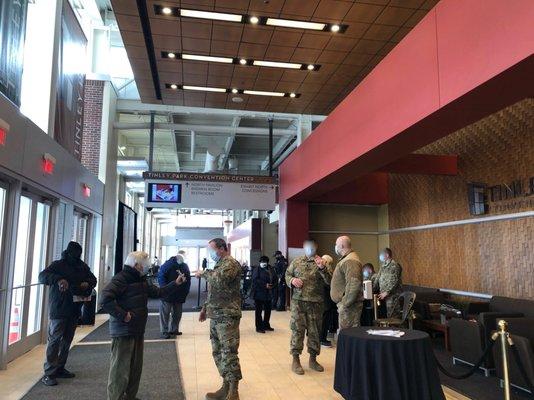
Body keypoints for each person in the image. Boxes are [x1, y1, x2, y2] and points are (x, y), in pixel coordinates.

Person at [100, 251, 186, 400]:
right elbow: (105, 299)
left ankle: (130, 396)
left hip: (137, 328)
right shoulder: (121, 279)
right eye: (145, 265)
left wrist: (175, 283)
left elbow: (158, 292)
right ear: (137, 265)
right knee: (120, 370)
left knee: (135, 367)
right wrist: (123, 315)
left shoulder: (141, 279)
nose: (148, 267)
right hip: (123, 331)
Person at [38, 241, 97, 386]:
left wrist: (87, 284)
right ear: (69, 252)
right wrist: (58, 279)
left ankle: (60, 367)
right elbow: (42, 277)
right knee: (55, 341)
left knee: (67, 341)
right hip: (59, 309)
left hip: (74, 308)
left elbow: (93, 279)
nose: (77, 256)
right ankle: (49, 373)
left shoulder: (81, 266)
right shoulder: (58, 265)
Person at [196, 238, 242, 400]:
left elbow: (220, 280)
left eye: (212, 249)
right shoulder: (219, 265)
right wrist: (205, 308)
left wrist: (204, 273)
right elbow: (215, 291)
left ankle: (233, 391)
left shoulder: (231, 263)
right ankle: (225, 385)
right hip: (216, 314)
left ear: (222, 249)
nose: (210, 253)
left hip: (227, 316)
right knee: (218, 352)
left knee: (229, 352)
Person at [286, 239, 332, 375]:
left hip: (316, 304)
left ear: (316, 247)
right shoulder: (296, 261)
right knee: (297, 330)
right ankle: (295, 359)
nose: (310, 249)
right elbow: (287, 275)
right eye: (307, 247)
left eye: (312, 247)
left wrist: (322, 268)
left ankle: (313, 359)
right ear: (303, 247)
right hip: (298, 303)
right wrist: (292, 280)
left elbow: (330, 281)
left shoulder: (323, 262)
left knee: (315, 332)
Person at [330, 236, 364, 330]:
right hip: (348, 306)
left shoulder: (350, 260)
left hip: (349, 307)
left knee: (348, 335)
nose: (335, 247)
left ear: (341, 245)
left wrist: (344, 304)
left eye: (336, 244)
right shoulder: (347, 259)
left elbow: (354, 284)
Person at [158, 253, 191, 339]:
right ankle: (164, 331)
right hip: (168, 294)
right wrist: (164, 290)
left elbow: (188, 280)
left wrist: (185, 292)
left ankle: (174, 329)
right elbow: (161, 278)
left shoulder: (184, 266)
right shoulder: (167, 265)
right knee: (165, 314)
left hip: (179, 294)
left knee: (177, 314)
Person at [372, 248, 403, 318]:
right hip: (384, 296)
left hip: (393, 296)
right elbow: (377, 279)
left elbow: (394, 281)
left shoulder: (394, 266)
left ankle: (400, 329)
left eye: (381, 255)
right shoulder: (383, 266)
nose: (380, 257)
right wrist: (372, 290)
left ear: (387, 255)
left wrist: (387, 292)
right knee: (387, 316)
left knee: (394, 317)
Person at [251, 256, 277, 333]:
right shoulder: (257, 269)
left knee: (268, 310)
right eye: (262, 261)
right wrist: (264, 285)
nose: (263, 263)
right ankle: (259, 327)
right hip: (258, 293)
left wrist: (272, 285)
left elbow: (275, 278)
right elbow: (255, 280)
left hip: (268, 293)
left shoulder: (271, 269)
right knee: (258, 311)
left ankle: (266, 325)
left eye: (265, 261)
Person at [318, 255, 335, 347]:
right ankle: (322, 339)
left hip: (323, 298)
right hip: (325, 298)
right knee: (324, 320)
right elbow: (329, 283)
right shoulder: (324, 270)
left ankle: (321, 337)